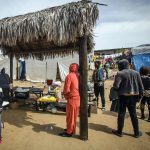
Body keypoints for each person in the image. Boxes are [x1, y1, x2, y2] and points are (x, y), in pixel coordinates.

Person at [112, 59, 144, 138]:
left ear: (121, 66)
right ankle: (136, 133)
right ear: (128, 65)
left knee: (121, 114)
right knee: (133, 115)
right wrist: (139, 98)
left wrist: (116, 91)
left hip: (123, 97)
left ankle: (119, 132)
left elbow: (116, 86)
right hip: (133, 97)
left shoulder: (120, 73)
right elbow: (141, 88)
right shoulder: (136, 73)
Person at [59, 63, 80, 137]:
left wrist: (65, 97)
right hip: (78, 99)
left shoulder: (69, 76)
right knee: (74, 117)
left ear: (70, 68)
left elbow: (66, 90)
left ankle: (69, 132)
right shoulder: (77, 76)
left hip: (72, 99)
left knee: (70, 117)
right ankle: (71, 129)